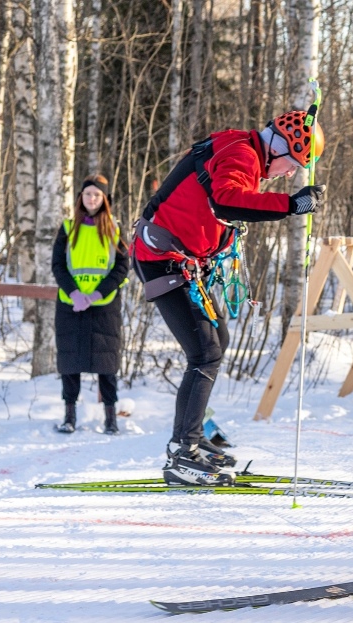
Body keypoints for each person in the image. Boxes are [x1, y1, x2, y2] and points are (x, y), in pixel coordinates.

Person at [132, 110, 326, 486]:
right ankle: (181, 450)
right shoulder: (243, 155)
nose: (289, 174)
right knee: (205, 351)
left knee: (215, 343)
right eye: (293, 164)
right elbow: (227, 201)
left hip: (181, 261)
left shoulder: (242, 146)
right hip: (161, 259)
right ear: (281, 147)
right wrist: (291, 204)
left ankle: (192, 438)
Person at [52, 174, 130, 435]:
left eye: (97, 194)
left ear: (105, 199)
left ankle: (111, 418)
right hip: (71, 305)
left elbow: (122, 267)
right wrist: (75, 294)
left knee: (106, 364)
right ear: (80, 197)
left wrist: (96, 294)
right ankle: (69, 416)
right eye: (88, 194)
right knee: (70, 362)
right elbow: (58, 265)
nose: (92, 198)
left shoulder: (115, 229)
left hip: (104, 305)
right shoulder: (67, 228)